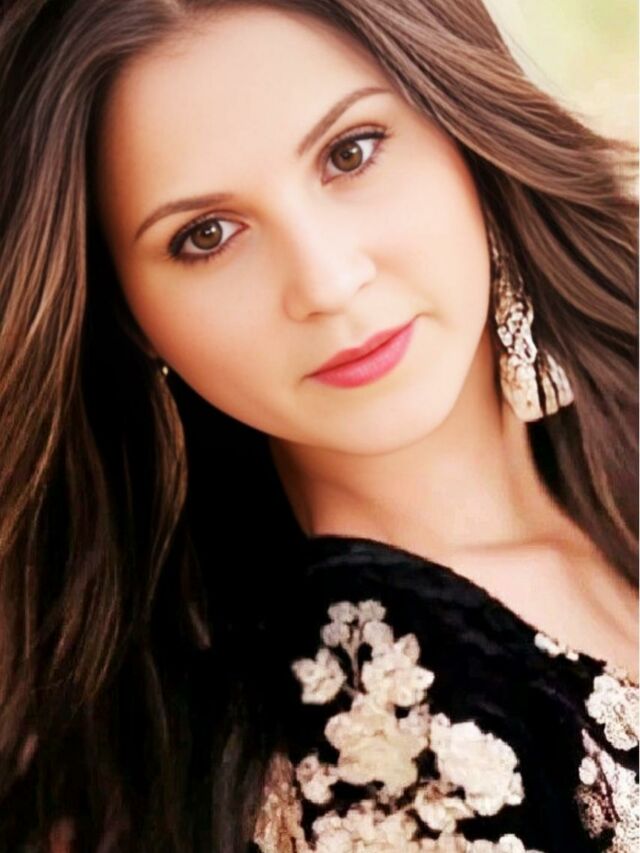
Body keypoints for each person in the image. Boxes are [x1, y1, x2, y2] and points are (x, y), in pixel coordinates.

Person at [0, 0, 637, 851]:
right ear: (132, 318)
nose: (327, 281)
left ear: (462, 125)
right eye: (207, 235)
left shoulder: (614, 449)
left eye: (351, 152)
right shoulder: (377, 717)